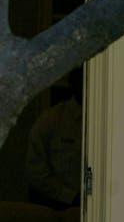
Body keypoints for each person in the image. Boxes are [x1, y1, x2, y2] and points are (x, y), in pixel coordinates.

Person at [25, 68, 83, 210]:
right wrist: (71, 196)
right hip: (55, 207)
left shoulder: (109, 122)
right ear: (73, 84)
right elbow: (35, 172)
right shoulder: (51, 121)